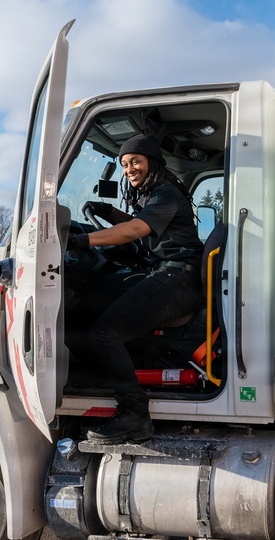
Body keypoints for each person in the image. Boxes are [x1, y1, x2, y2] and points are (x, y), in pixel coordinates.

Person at [68, 134, 204, 444]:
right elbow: (138, 225)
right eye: (125, 164)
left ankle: (134, 414)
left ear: (151, 162)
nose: (129, 169)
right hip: (169, 273)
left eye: (136, 162)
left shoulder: (166, 193)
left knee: (104, 333)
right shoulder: (155, 196)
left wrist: (83, 240)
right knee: (87, 302)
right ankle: (101, 378)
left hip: (179, 278)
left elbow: (134, 231)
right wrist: (108, 212)